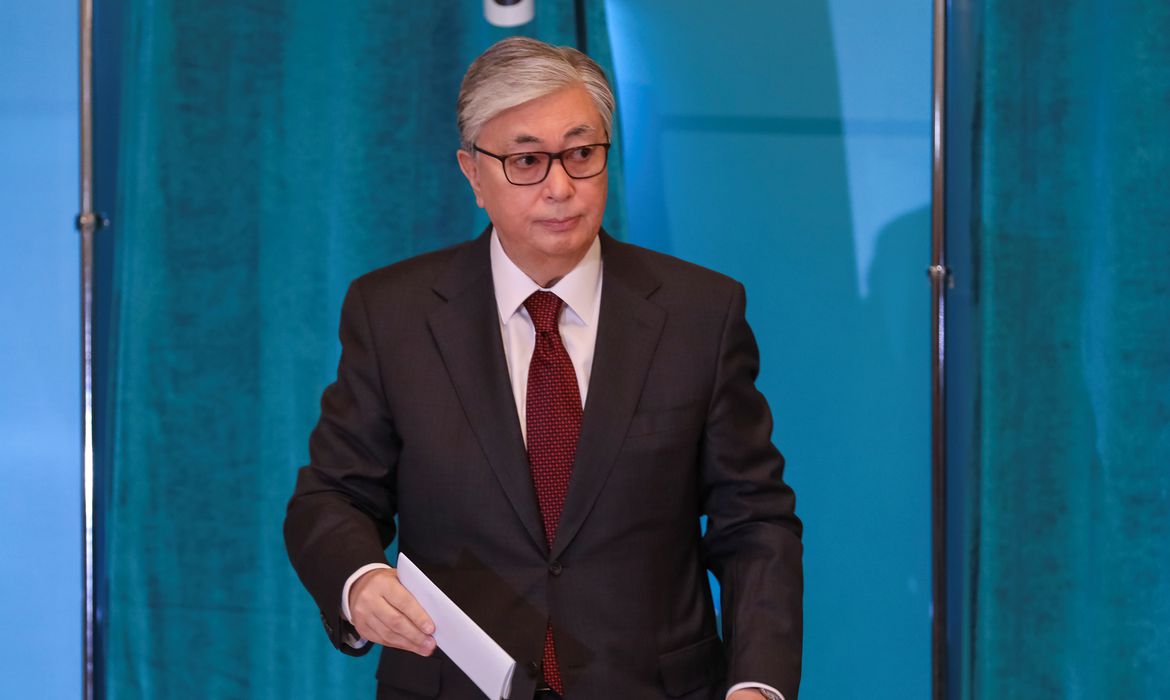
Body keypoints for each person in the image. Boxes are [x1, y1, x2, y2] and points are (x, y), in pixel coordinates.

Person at [284, 36, 802, 700]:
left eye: (581, 154)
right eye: (526, 160)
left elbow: (754, 521)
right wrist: (359, 582)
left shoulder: (701, 312)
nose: (561, 188)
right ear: (473, 174)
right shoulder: (393, 315)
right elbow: (332, 496)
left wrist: (757, 684)